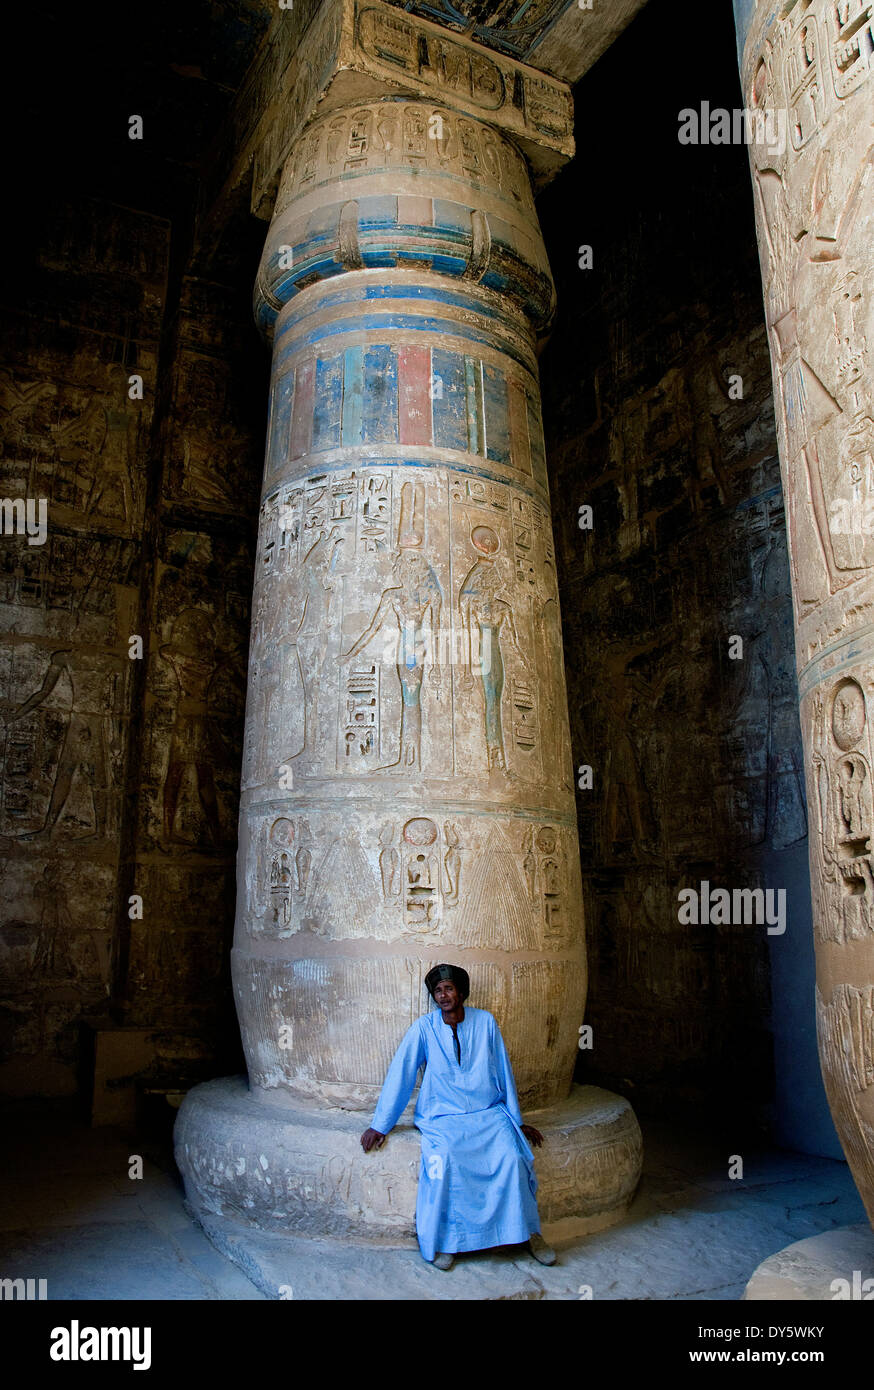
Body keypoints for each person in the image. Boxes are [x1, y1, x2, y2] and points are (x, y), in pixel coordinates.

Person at [360, 963, 557, 1271]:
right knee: (445, 1160)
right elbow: (402, 1072)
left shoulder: (486, 1022)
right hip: (443, 1117)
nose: (443, 996)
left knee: (512, 1157)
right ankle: (446, 1242)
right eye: (438, 991)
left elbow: (503, 1072)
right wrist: (380, 1124)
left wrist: (516, 1122)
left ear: (462, 992)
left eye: (449, 989)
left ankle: (529, 1234)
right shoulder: (424, 1028)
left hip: (488, 1115)